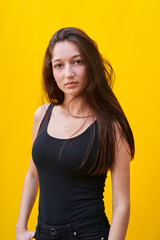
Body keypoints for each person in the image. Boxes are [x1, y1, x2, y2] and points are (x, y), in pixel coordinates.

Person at [16, 27, 135, 240]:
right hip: (44, 234)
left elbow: (121, 204)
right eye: (59, 65)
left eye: (77, 62)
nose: (68, 73)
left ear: (91, 65)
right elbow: (33, 174)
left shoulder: (112, 126)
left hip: (88, 234)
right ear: (51, 71)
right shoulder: (42, 115)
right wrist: (20, 228)